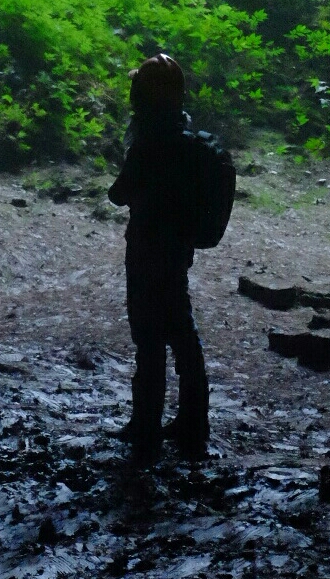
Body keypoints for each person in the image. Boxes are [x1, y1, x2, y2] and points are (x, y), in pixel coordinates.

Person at [108, 54, 212, 459]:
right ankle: (193, 422)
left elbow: (118, 194)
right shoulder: (186, 142)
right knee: (182, 332)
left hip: (147, 250)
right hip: (176, 250)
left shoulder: (149, 144)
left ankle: (146, 423)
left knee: (149, 337)